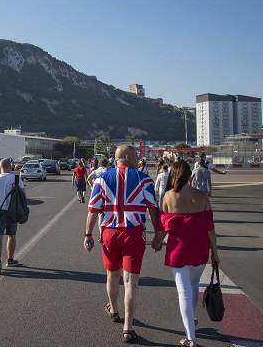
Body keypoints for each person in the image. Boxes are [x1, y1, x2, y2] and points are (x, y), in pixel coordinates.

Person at [84, 145, 159, 343]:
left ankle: (114, 310)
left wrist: (88, 234)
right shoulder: (144, 179)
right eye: (135, 156)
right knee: (131, 282)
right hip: (134, 234)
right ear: (126, 156)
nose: (138, 159)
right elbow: (153, 209)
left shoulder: (101, 179)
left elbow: (93, 210)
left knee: (112, 275)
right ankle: (128, 327)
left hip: (110, 233)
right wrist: (159, 234)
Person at [152, 161, 219, 347]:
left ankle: (191, 338)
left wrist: (156, 243)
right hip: (200, 249)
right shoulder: (202, 196)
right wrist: (215, 253)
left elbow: (162, 228)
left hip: (178, 250)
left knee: (183, 292)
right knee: (194, 285)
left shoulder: (168, 196)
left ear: (173, 175)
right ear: (190, 176)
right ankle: (192, 319)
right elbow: (210, 229)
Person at [0, 158, 25, 274]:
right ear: (10, 167)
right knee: (11, 236)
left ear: (0, 167)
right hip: (12, 211)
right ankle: (10, 260)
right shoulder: (16, 178)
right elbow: (23, 195)